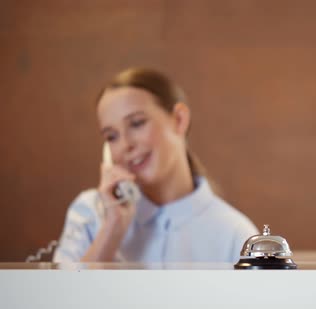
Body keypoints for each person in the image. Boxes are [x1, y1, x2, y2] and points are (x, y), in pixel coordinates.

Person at [53, 68, 257, 263]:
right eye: (111, 136)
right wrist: (111, 230)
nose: (125, 145)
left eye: (137, 123)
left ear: (179, 119)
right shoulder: (90, 214)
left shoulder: (236, 235)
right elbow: (63, 298)